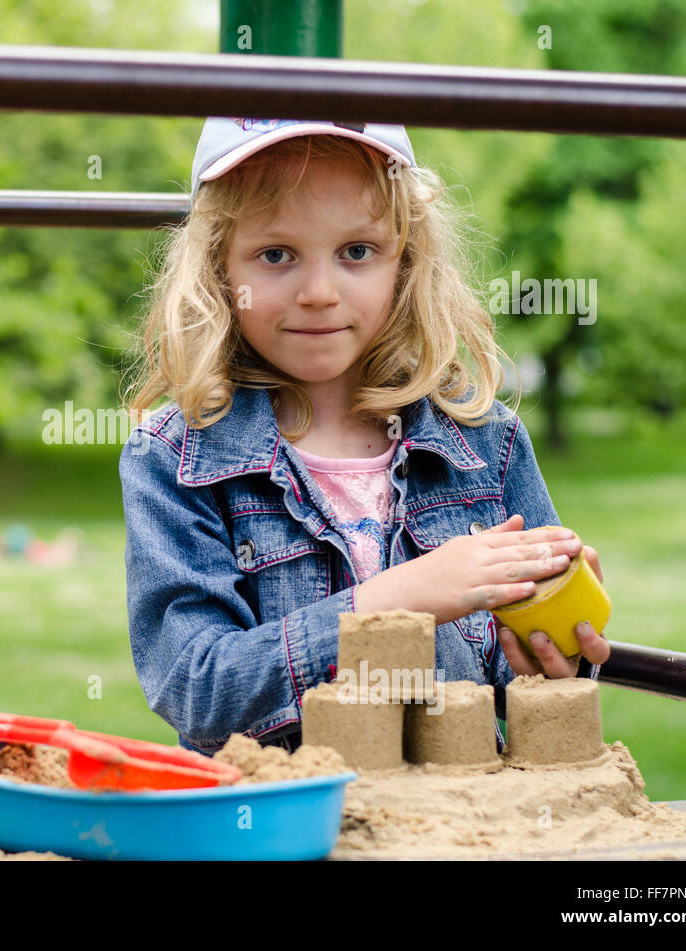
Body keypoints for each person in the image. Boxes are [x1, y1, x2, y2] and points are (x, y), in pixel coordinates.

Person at [118, 117, 609, 755]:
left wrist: (555, 647)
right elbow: (196, 689)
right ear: (217, 269)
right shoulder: (175, 459)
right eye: (276, 255)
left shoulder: (488, 445)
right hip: (277, 830)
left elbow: (529, 682)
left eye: (357, 252)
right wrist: (390, 601)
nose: (320, 293)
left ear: (404, 262)